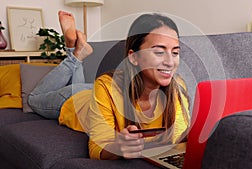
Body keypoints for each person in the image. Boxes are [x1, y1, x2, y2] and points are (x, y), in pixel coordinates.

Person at [28, 10, 190, 160]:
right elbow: (97, 149)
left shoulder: (177, 88)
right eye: (159, 52)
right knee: (33, 99)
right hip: (75, 99)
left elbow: (177, 139)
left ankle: (77, 52)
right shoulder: (105, 87)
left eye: (175, 52)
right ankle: (73, 55)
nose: (170, 62)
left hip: (98, 94)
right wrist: (118, 148)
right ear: (134, 58)